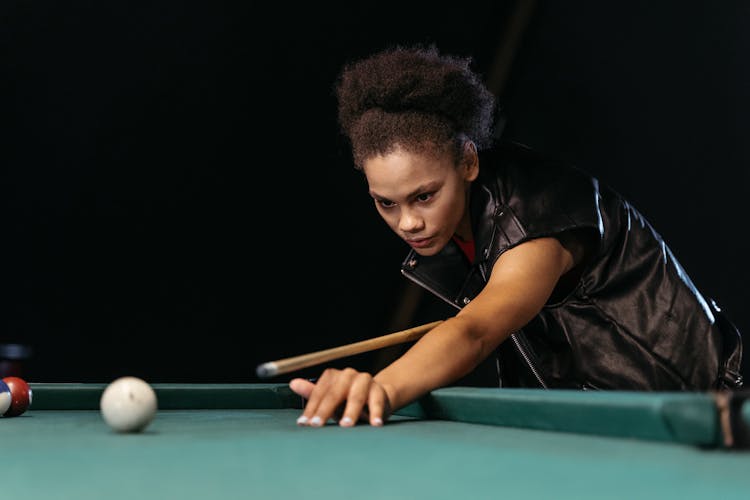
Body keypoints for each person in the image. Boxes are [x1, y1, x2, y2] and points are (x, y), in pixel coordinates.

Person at [289, 43, 744, 428]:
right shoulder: (456, 225)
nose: (407, 222)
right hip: (617, 421)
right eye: (386, 202)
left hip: (712, 415)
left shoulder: (533, 217)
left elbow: (475, 332)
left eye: (424, 196)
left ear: (468, 162)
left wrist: (380, 387)